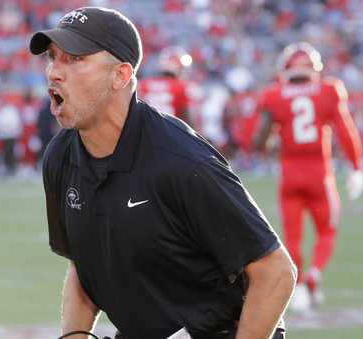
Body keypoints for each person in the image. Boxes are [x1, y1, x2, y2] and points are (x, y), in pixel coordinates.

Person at [30, 7, 296, 339]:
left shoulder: (181, 161)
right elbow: (82, 268)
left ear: (121, 76)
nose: (54, 72)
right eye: (52, 58)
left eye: (74, 59)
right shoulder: (60, 157)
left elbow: (276, 271)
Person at [254, 42, 363, 312]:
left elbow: (259, 140)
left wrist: (272, 141)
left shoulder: (275, 94)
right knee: (327, 230)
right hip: (319, 173)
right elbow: (345, 130)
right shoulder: (328, 90)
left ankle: (299, 285)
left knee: (292, 237)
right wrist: (356, 166)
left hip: (289, 173)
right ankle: (313, 276)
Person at [138, 46, 192, 124]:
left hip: (146, 129)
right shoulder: (181, 86)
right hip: (169, 130)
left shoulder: (144, 83)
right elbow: (186, 116)